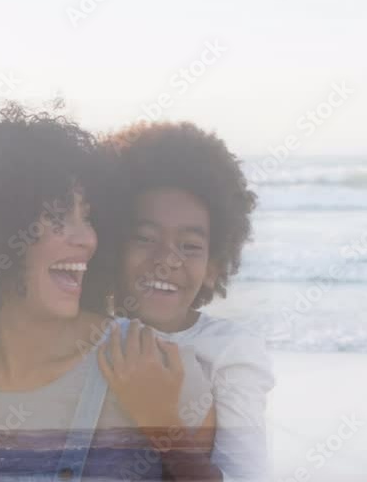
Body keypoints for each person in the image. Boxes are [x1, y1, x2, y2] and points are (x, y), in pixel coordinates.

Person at [0, 105, 216, 480]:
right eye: (57, 216)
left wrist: (164, 428)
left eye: (86, 216)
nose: (86, 238)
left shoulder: (153, 365)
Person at [98, 121, 274, 481]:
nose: (168, 259)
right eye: (144, 238)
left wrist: (160, 420)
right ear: (112, 244)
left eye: (190, 246)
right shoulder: (83, 330)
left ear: (213, 266)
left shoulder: (229, 352)